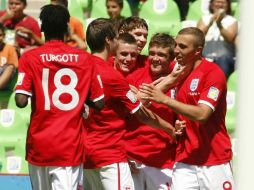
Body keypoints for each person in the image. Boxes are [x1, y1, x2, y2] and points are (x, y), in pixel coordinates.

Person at [83, 18, 182, 190]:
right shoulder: (115, 77)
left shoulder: (80, 67)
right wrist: (171, 130)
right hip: (111, 155)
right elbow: (140, 109)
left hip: (88, 154)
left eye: (144, 36)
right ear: (112, 40)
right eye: (137, 35)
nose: (141, 41)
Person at [15, 4, 104, 190]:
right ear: (67, 27)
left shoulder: (29, 58)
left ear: (41, 27)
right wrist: (80, 94)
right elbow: (99, 102)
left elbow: (20, 101)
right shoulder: (84, 59)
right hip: (68, 147)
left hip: (38, 146)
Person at [140, 27, 234, 189]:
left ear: (198, 51)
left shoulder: (213, 74)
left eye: (183, 47)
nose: (176, 50)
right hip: (185, 158)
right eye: (176, 45)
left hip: (213, 159)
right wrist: (177, 123)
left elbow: (203, 114)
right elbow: (144, 101)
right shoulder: (176, 71)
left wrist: (164, 100)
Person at [125, 33, 183, 190]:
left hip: (164, 161)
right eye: (152, 53)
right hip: (133, 158)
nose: (155, 58)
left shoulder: (179, 81)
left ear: (171, 58)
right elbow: (123, 116)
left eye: (161, 55)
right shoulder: (133, 78)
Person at [197, 0, 238, 79]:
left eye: (223, 2)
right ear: (212, 4)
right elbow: (198, 37)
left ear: (228, 5)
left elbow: (230, 38)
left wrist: (219, 24)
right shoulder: (204, 19)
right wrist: (211, 22)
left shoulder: (232, 20)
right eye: (217, 2)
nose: (220, 4)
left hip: (225, 59)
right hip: (206, 57)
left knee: (223, 60)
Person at [0, 23, 18, 90]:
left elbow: (14, 67)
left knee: (10, 67)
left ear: (4, 36)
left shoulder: (10, 48)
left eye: (0, 35)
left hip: (4, 75)